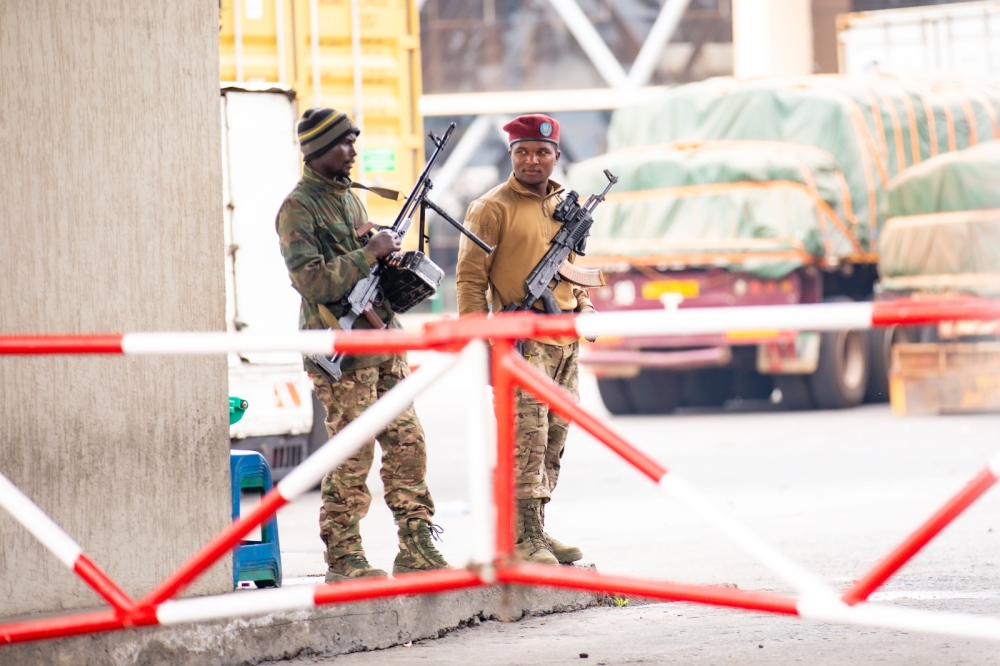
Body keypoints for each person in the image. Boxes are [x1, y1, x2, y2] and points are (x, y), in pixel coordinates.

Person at [276, 107, 449, 582]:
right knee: (352, 453)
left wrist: (383, 258)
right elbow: (310, 280)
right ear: (316, 151)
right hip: (341, 349)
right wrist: (365, 253)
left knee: (407, 444)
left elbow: (362, 265)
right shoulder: (298, 208)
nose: (353, 151)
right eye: (343, 144)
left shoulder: (351, 199)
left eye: (354, 141)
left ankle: (416, 544)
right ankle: (344, 553)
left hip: (383, 342)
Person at [455, 114, 595, 565]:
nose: (531, 160)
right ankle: (520, 538)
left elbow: (572, 268)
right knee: (525, 441)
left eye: (541, 152)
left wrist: (585, 310)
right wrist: (480, 342)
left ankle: (535, 530)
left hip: (563, 342)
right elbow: (470, 281)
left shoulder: (565, 204)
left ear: (556, 156)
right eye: (522, 152)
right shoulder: (489, 208)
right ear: (511, 156)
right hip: (520, 343)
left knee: (553, 440)